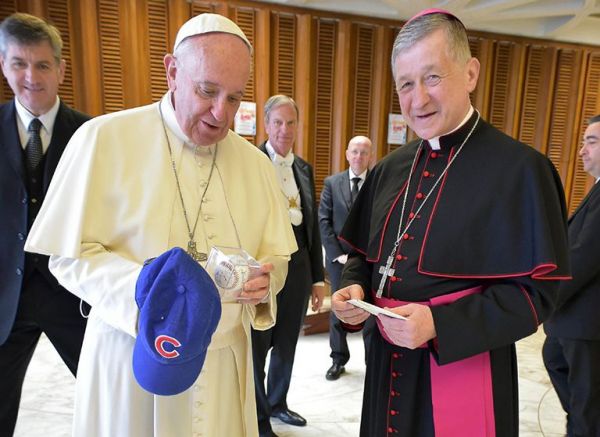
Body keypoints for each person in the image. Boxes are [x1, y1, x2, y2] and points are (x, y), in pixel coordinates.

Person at [24, 13, 296, 437]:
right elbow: (66, 255)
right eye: (207, 91)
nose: (221, 113)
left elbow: (276, 256)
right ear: (172, 71)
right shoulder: (104, 139)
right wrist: (148, 295)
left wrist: (266, 283)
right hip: (132, 355)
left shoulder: (257, 167)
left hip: (223, 364)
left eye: (234, 98)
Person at [331, 8, 570, 437]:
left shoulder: (521, 171)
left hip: (464, 365)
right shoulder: (389, 169)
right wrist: (354, 288)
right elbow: (365, 258)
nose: (418, 99)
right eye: (405, 84)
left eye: (433, 77)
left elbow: (536, 297)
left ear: (470, 73)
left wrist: (439, 324)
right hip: (386, 367)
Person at [0, 13, 90, 435]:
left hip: (71, 293)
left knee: (104, 392)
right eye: (19, 63)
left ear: (60, 69)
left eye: (41, 65)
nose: (30, 77)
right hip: (5, 298)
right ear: (4, 65)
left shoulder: (91, 135)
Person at [252, 94, 325, 437]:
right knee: (259, 343)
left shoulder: (304, 168)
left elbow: (311, 226)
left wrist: (317, 278)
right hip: (264, 268)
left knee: (286, 342)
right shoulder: (250, 163)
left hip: (297, 270)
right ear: (266, 125)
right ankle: (259, 415)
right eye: (278, 122)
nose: (284, 130)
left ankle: (278, 402)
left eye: (291, 122)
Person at [543, 115, 600, 437]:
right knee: (555, 359)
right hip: (575, 319)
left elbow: (585, 256)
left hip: (587, 322)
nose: (581, 151)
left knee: (585, 408)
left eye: (591, 141)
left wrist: (544, 298)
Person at [319, 135, 375, 380]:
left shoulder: (378, 182)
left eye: (364, 152)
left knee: (370, 310)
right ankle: (338, 359)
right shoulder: (333, 183)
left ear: (370, 156)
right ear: (346, 153)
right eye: (355, 151)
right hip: (339, 259)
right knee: (338, 310)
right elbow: (324, 221)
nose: (359, 157)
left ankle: (371, 361)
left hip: (369, 261)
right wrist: (337, 255)